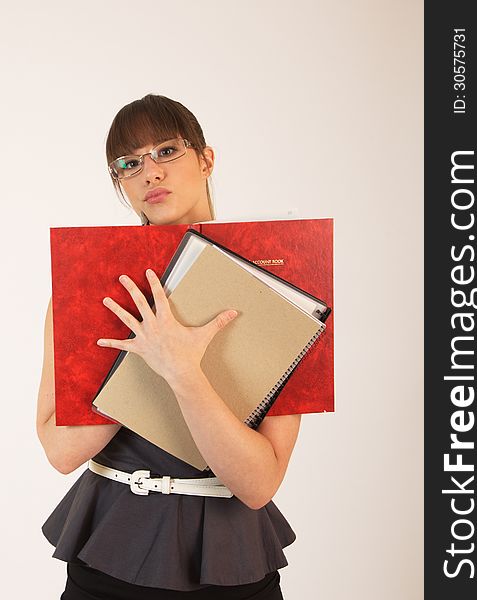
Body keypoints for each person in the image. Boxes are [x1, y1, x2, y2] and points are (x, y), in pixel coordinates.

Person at [37, 94, 301, 599]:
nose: (149, 172)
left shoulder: (282, 282)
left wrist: (182, 369)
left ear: (206, 158)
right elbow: (61, 449)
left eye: (166, 151)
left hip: (233, 561)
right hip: (108, 552)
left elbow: (259, 483)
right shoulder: (84, 290)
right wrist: (145, 360)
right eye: (128, 163)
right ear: (120, 184)